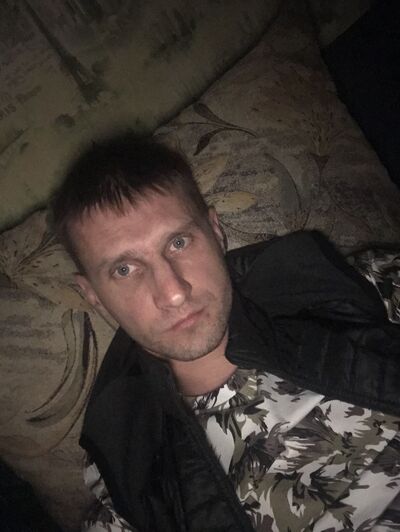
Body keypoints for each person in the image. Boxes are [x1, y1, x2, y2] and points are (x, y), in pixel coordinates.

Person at [52, 134, 400, 532]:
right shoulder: (128, 470)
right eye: (125, 269)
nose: (173, 292)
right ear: (93, 296)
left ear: (216, 232)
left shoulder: (351, 288)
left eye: (178, 242)